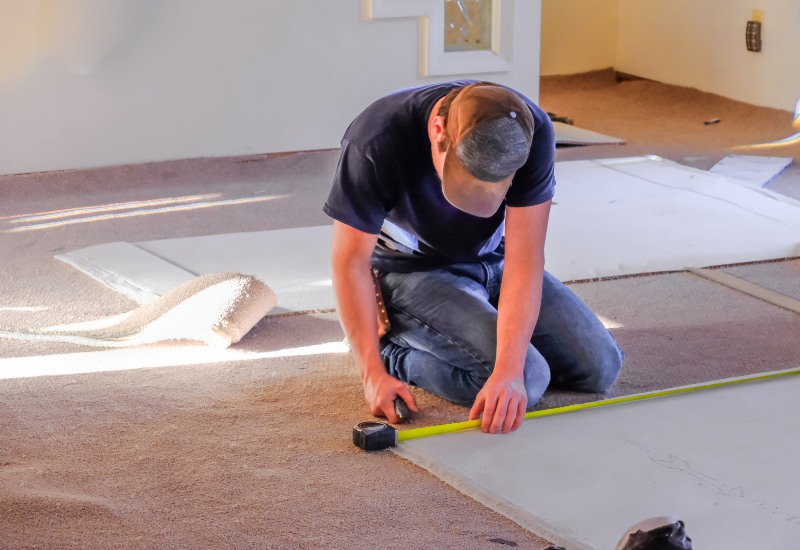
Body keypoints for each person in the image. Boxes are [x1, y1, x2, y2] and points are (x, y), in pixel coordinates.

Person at [324, 80, 623, 434]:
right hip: (410, 274)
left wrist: (508, 373)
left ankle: (477, 338)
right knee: (532, 377)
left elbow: (524, 259)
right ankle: (394, 354)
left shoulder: (531, 132)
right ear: (438, 132)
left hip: (493, 259)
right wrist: (371, 372)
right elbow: (350, 263)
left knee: (599, 368)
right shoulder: (375, 140)